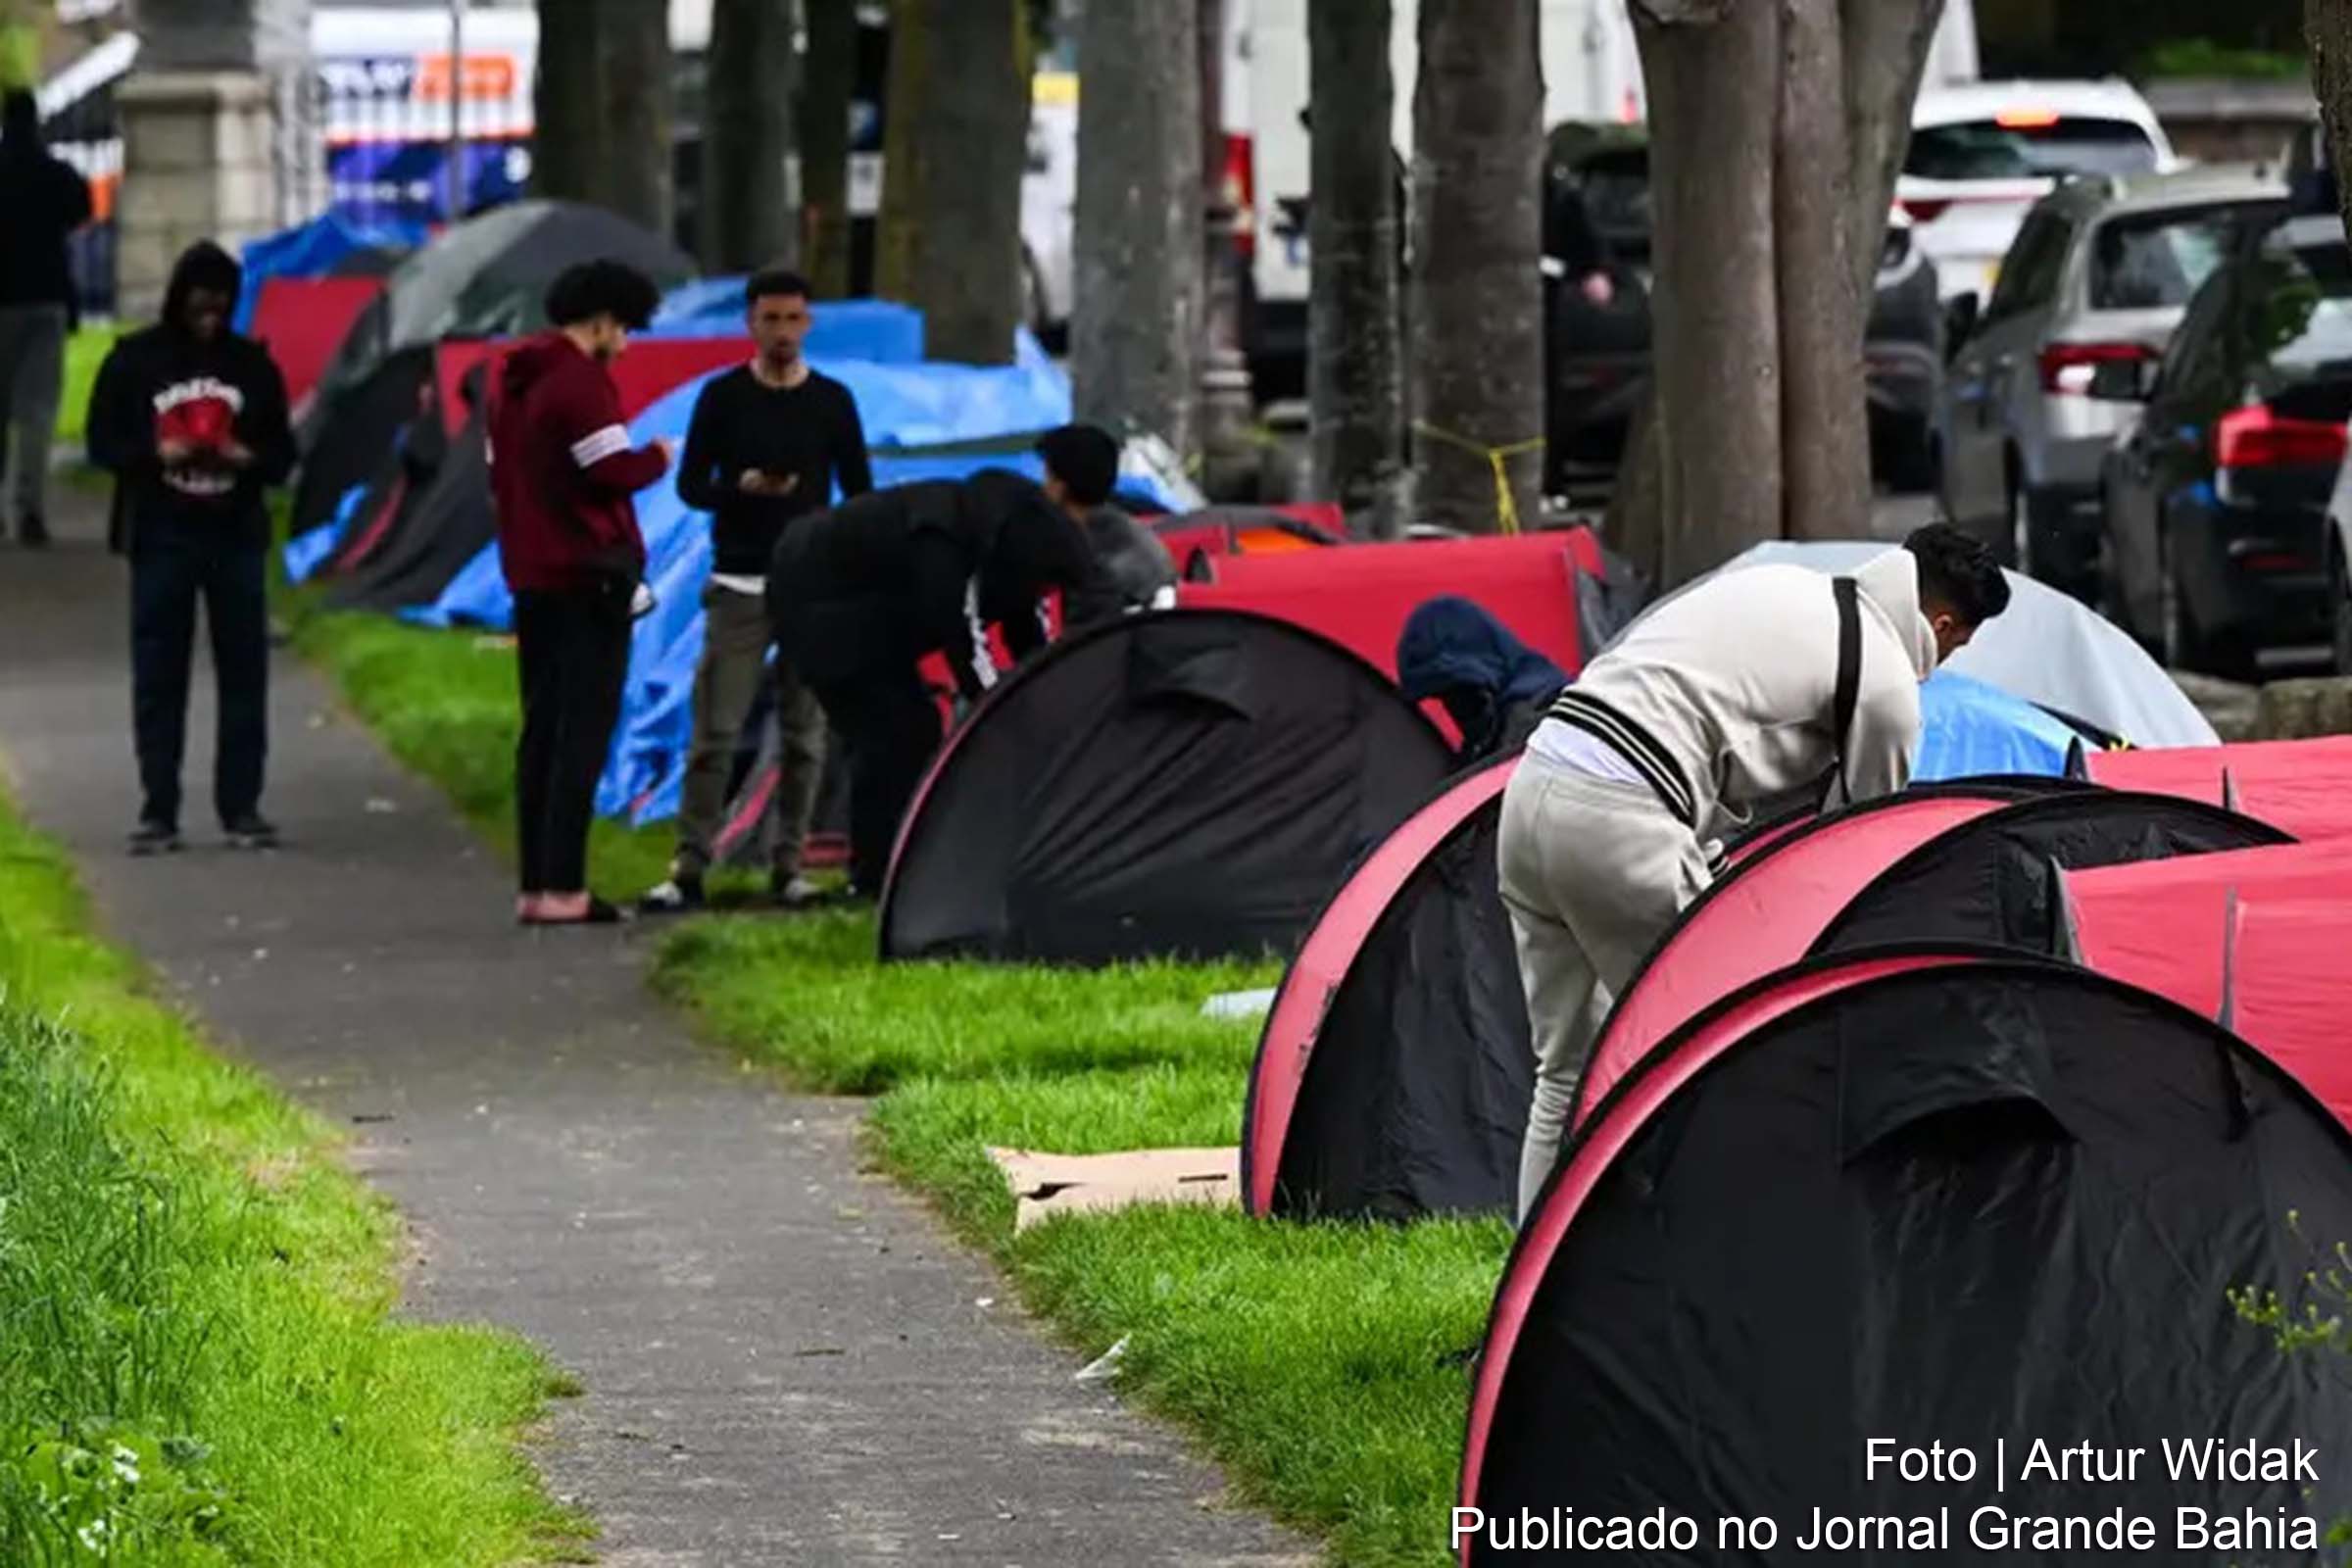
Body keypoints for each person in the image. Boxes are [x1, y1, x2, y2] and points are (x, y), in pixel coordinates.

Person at [1495, 524, 2010, 1219]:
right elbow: (1859, 849)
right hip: (1620, 821)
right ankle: (1679, 1274)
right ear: (1943, 624)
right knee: (1720, 1062)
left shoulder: (1785, 589)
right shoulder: (1886, 684)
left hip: (1532, 789)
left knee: (1564, 1072)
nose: (1943, 661)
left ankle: (1526, 1301)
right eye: (1956, 646)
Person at [639, 270, 871, 914]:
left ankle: (788, 865)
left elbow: (859, 491)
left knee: (805, 735)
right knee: (715, 729)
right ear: (750, 323)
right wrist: (737, 490)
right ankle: (689, 866)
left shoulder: (832, 402)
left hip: (811, 586)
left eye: (793, 320)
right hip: (739, 578)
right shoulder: (722, 398)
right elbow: (689, 487)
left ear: (808, 324)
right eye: (770, 320)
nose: (782, 333)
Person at [764, 467, 1106, 899]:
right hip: (819, 605)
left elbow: (1028, 637)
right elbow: (962, 642)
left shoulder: (1001, 540)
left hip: (860, 610)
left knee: (906, 731)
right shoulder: (943, 541)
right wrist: (1003, 709)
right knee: (895, 734)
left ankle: (888, 868)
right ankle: (877, 875)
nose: (1045, 591)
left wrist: (1046, 698)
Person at [85, 240, 295, 855]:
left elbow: (283, 455)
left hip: (233, 533)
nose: (211, 316)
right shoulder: (135, 361)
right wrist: (155, 456)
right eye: (201, 304)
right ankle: (159, 807)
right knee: (158, 674)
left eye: (222, 305)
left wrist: (245, 457)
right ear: (181, 299)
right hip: (162, 532)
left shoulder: (252, 367)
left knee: (244, 673)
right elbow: (103, 443)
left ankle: (241, 806)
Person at [489, 259, 674, 926]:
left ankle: (535, 883)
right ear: (599, 320)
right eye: (622, 329)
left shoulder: (512, 381)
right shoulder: (578, 383)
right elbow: (609, 467)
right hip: (588, 575)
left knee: (540, 731)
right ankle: (566, 886)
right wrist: (658, 455)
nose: (623, 344)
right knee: (583, 734)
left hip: (530, 574)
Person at [1, 88, 95, 548]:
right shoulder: (56, 175)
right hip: (46, 297)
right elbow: (83, 212)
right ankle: (30, 508)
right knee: (35, 412)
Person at [1396, 596, 1569, 761]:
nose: (1455, 709)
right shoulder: (1488, 735)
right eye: (1444, 698)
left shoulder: (1537, 725)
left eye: (1459, 692)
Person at [1034, 422, 1176, 619]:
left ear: (1060, 487)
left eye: (1047, 477)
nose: (1043, 488)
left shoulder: (1086, 559)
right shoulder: (1136, 535)